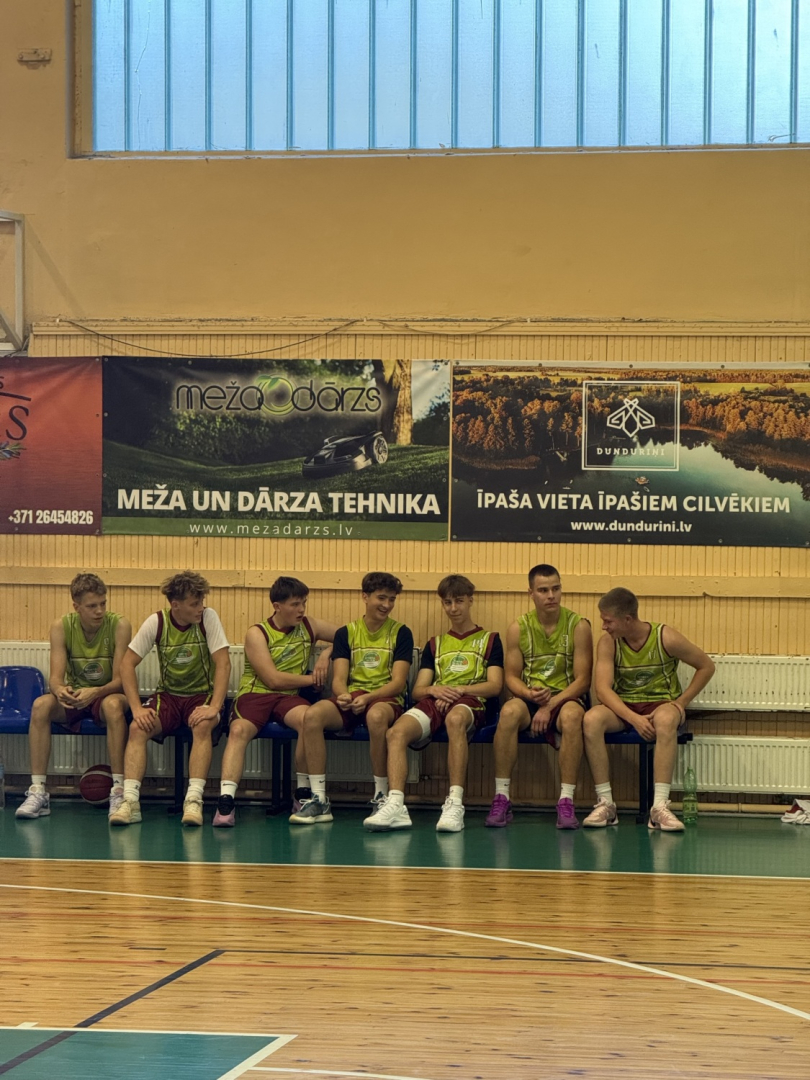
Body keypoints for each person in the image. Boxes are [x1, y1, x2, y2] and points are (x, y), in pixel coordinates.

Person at [364, 575, 503, 833]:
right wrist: (434, 690)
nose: (453, 608)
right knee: (395, 733)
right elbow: (419, 690)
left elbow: (495, 686)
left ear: (470, 601)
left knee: (455, 719)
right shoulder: (435, 643)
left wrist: (460, 690)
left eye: (459, 601)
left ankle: (455, 804)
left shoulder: (490, 639)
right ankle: (396, 804)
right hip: (436, 700)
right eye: (447, 602)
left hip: (471, 701)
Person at [582, 587, 715, 832]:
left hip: (660, 704)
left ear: (627, 619)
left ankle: (659, 807)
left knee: (666, 719)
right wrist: (634, 719)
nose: (604, 626)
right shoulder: (608, 643)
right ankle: (606, 804)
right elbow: (602, 690)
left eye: (608, 621)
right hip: (626, 706)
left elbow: (706, 666)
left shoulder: (665, 637)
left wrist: (681, 702)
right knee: (591, 719)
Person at [213, 576, 338, 827]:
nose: (301, 609)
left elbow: (348, 636)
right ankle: (226, 800)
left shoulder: (310, 625)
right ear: (277, 606)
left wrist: (327, 654)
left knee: (308, 720)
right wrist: (312, 679)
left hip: (288, 698)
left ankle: (302, 793)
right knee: (238, 730)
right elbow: (273, 679)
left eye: (304, 603)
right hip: (256, 694)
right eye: (294, 604)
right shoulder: (257, 633)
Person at [109, 571, 231, 827]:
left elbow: (223, 664)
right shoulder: (157, 622)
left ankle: (193, 800)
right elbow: (126, 664)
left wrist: (214, 706)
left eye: (201, 602)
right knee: (137, 727)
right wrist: (136, 708)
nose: (200, 608)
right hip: (169, 696)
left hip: (202, 694)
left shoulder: (208, 618)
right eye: (194, 604)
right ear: (176, 605)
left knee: (203, 724)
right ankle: (130, 802)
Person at [291, 572, 413, 825]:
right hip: (354, 697)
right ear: (365, 597)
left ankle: (381, 796)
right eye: (381, 598)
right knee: (312, 715)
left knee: (376, 716)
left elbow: (398, 683)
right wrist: (343, 695)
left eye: (392, 599)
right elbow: (339, 679)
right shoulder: (347, 632)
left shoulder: (401, 632)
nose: (387, 605)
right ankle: (319, 799)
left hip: (384, 698)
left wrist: (369, 697)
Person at [16, 573, 132, 821]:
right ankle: (38, 791)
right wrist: (60, 691)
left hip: (108, 694)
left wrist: (95, 692)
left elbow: (121, 681)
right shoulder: (61, 626)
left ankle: (119, 791)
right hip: (77, 695)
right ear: (76, 607)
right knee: (40, 705)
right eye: (92, 606)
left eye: (103, 603)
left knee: (113, 705)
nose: (99, 611)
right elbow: (55, 679)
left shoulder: (119, 625)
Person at [485, 564, 592, 830]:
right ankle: (502, 797)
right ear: (530, 593)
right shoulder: (518, 627)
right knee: (508, 712)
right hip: (530, 697)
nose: (551, 595)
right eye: (543, 590)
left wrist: (550, 704)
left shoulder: (578, 626)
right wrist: (529, 695)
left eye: (556, 588)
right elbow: (511, 677)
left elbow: (583, 680)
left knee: (573, 716)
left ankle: (566, 801)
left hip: (564, 698)